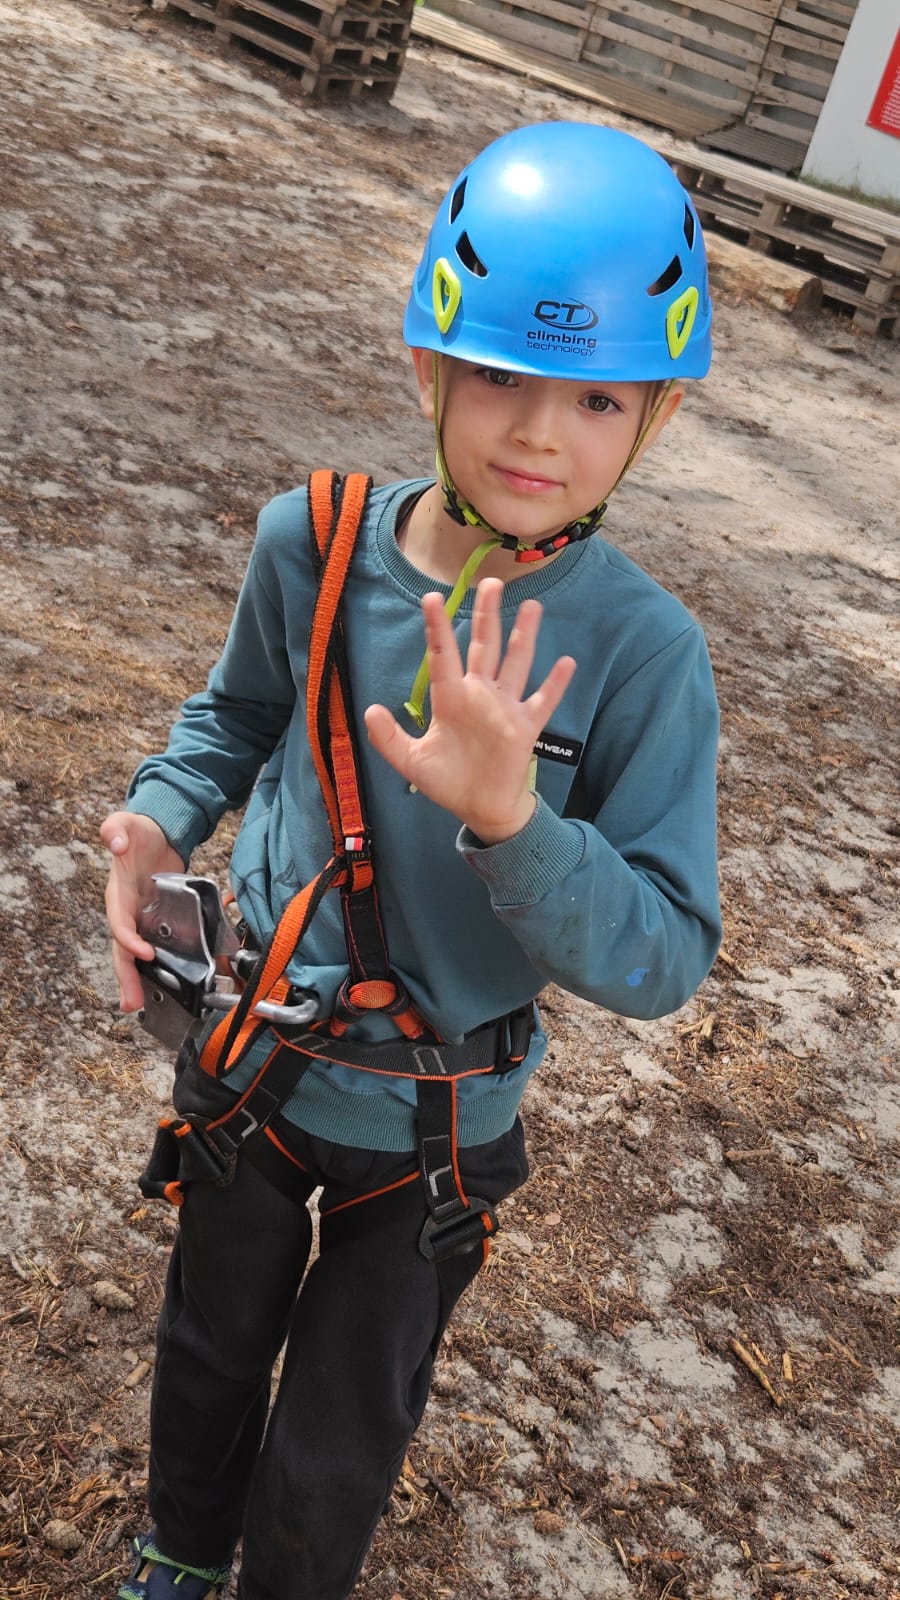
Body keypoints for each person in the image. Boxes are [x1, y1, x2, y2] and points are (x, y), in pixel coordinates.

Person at [102, 121, 721, 1600]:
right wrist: (158, 816)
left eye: (598, 396)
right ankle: (178, 1555)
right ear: (430, 366)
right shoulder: (310, 544)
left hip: (439, 1127)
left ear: (657, 414)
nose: (540, 432)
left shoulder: (645, 654)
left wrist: (517, 820)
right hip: (256, 1068)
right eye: (500, 373)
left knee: (340, 1436)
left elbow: (661, 952)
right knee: (206, 1349)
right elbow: (238, 714)